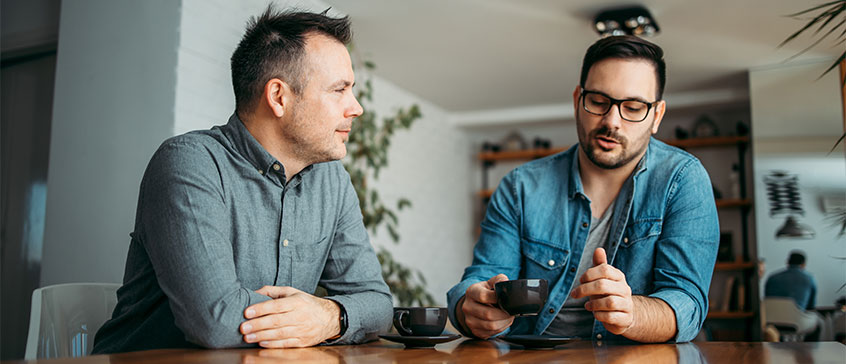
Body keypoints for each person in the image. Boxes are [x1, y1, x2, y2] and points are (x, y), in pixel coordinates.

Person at [93, 7, 392, 353]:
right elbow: (216, 322)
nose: (356, 108)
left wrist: (328, 315)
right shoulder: (189, 163)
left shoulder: (332, 182)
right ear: (279, 97)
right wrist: (330, 316)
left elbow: (378, 305)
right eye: (339, 90)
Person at [447, 35, 719, 343]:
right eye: (599, 102)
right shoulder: (520, 187)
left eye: (632, 107)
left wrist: (632, 312)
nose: (612, 121)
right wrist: (470, 309)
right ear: (578, 99)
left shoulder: (683, 179)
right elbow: (480, 279)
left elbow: (688, 304)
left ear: (656, 116)